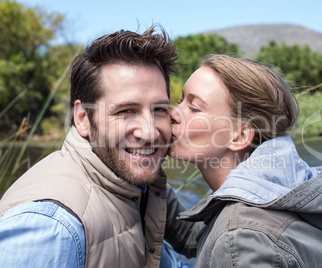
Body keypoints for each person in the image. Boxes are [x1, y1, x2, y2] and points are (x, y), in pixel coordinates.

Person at [0, 26, 199, 267]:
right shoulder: (52, 229)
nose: (149, 132)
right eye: (127, 111)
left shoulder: (138, 186)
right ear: (83, 118)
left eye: (159, 110)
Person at [169, 55, 322, 267]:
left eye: (194, 107)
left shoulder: (241, 238)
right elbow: (201, 236)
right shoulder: (280, 193)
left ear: (239, 137)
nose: (172, 113)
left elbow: (229, 240)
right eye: (179, 100)